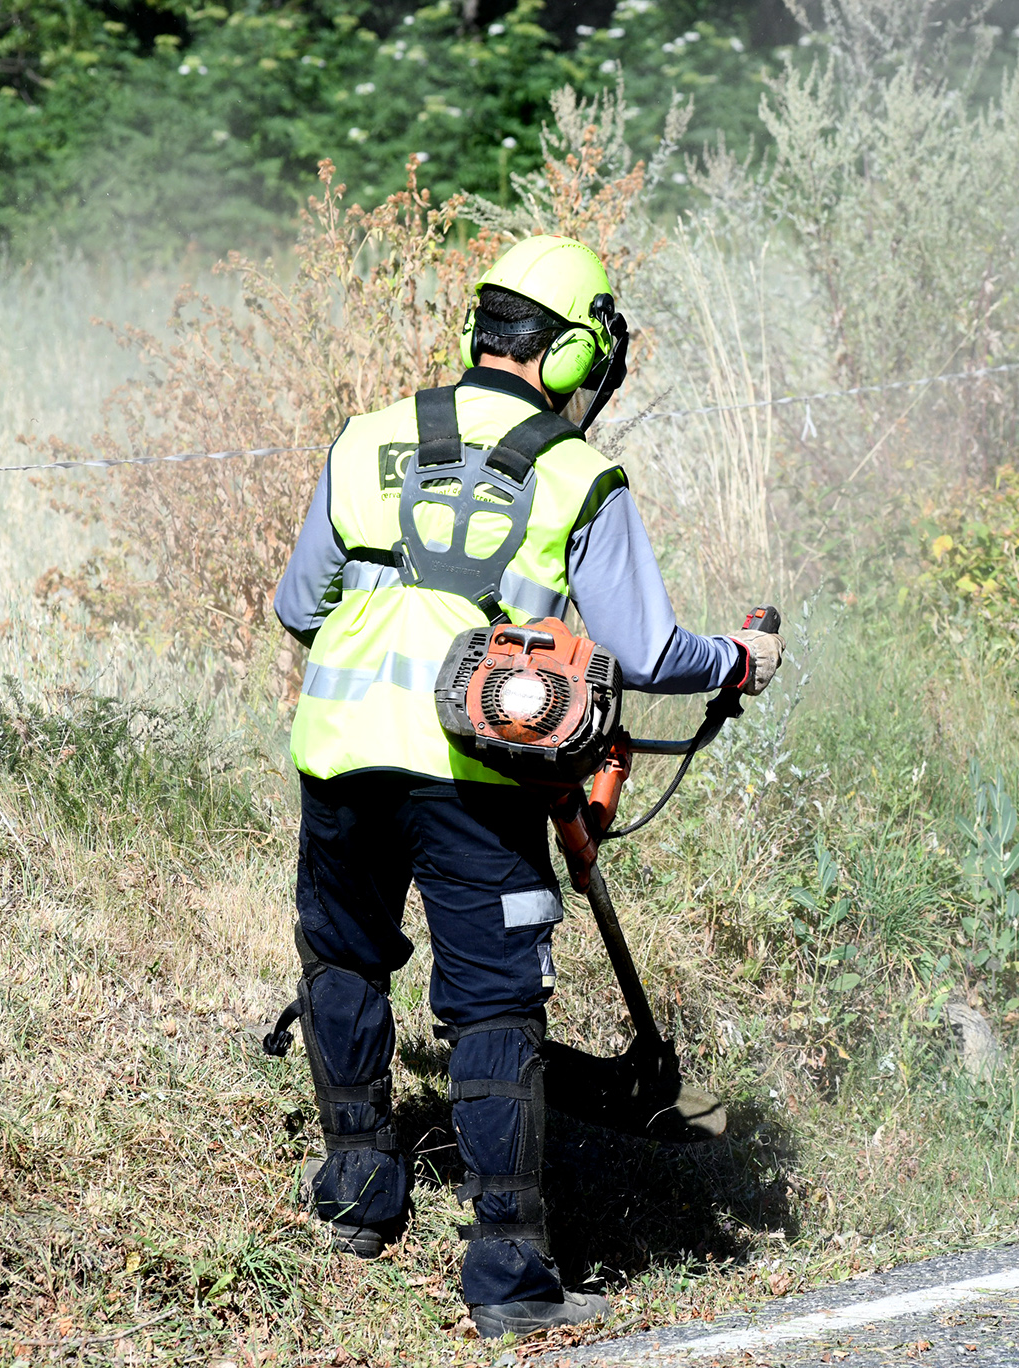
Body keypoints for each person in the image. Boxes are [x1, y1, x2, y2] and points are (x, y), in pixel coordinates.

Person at [267, 234, 785, 1337]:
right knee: (493, 1005)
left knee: (344, 959)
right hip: (474, 771)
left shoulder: (364, 438)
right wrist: (738, 658)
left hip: (340, 751)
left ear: (479, 334)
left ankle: (356, 1195)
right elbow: (646, 656)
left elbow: (297, 605)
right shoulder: (573, 473)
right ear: (571, 360)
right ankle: (507, 1275)